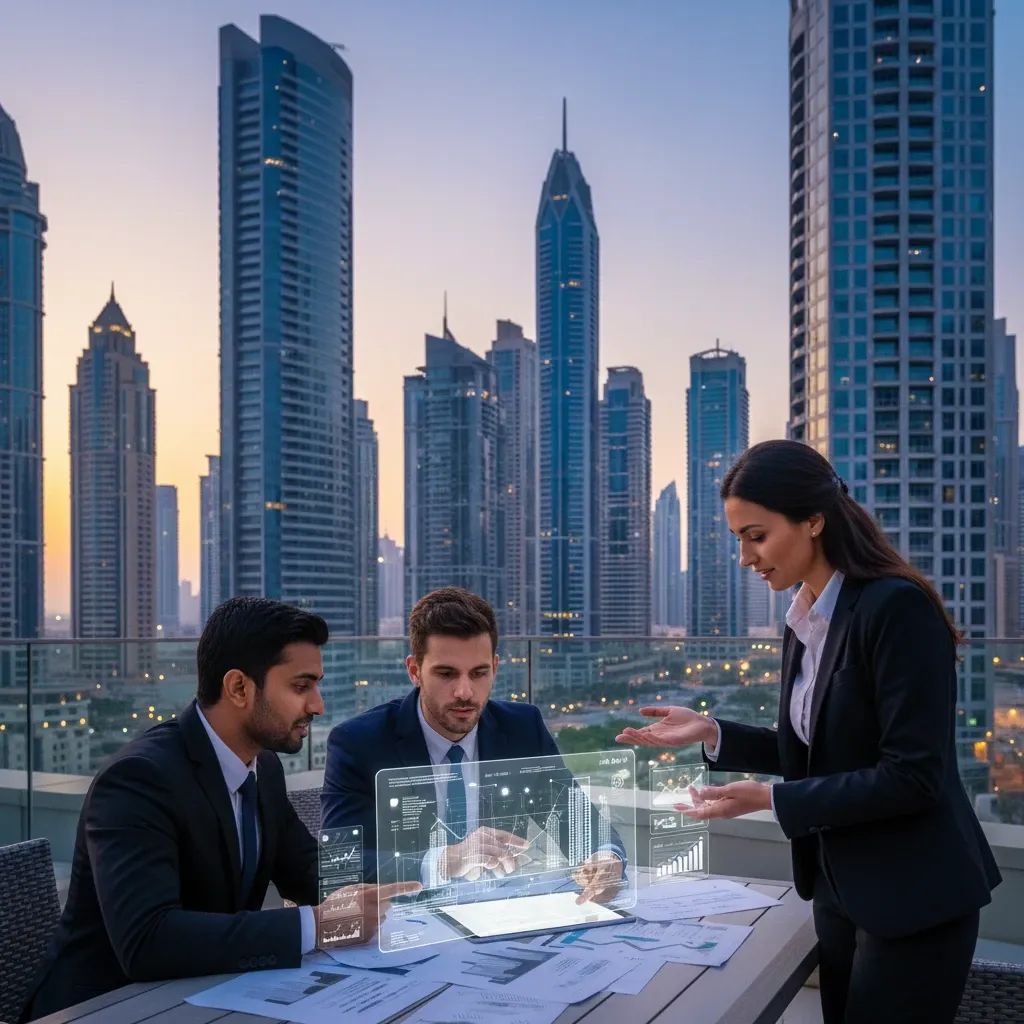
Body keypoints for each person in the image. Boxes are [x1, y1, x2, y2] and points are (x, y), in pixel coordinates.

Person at [616, 439, 1000, 1024]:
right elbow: (819, 748)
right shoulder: (804, 617)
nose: (745, 557)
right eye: (738, 538)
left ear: (814, 521)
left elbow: (913, 776)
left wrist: (773, 799)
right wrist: (713, 732)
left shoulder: (895, 609)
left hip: (914, 893)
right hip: (839, 885)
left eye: (757, 535)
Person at [22, 598, 418, 1022]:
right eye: (301, 687)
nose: (317, 705)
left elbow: (311, 871)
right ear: (239, 688)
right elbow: (148, 941)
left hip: (206, 995)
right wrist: (319, 925)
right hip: (104, 1008)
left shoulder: (262, 767)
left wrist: (428, 876)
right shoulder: (138, 779)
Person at [322, 586, 623, 902]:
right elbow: (341, 864)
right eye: (446, 674)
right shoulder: (359, 742)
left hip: (499, 912)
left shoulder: (523, 728)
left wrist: (606, 856)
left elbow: (574, 817)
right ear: (414, 671)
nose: (464, 691)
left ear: (494, 668)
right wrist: (447, 861)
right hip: (402, 922)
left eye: (479, 673)